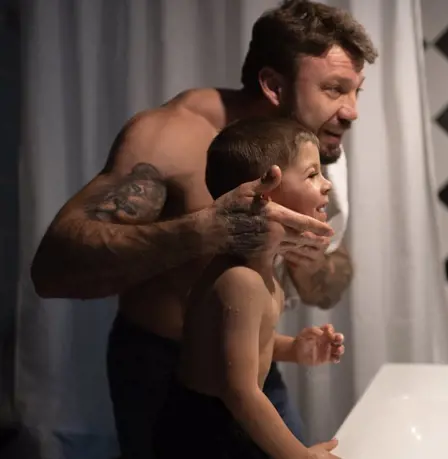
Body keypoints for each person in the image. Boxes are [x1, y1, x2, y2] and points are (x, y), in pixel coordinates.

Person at [29, 0, 378, 457]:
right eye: (335, 90)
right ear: (274, 85)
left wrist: (304, 257)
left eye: (357, 91)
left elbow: (324, 290)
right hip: (164, 371)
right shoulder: (175, 135)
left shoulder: (312, 148)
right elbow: (52, 268)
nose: (351, 111)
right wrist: (206, 230)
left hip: (256, 355)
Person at [154, 117, 344, 459]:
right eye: (312, 174)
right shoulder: (240, 280)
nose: (326, 185)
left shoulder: (263, 271)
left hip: (226, 417)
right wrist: (300, 456)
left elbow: (243, 348)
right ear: (266, 194)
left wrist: (294, 349)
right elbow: (239, 391)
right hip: (203, 431)